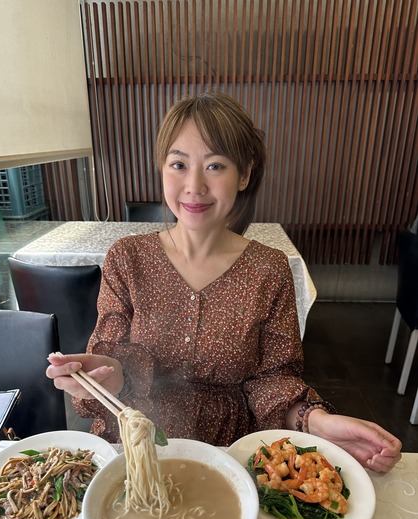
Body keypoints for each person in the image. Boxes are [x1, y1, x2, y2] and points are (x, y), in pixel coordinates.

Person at [47, 90, 401, 473]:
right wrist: (104, 373)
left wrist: (315, 421)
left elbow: (272, 378)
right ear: (162, 169)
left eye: (215, 166)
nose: (194, 185)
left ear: (244, 174)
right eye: (178, 164)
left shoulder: (269, 269)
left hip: (228, 452)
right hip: (135, 448)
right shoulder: (127, 258)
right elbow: (113, 360)